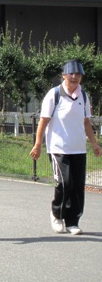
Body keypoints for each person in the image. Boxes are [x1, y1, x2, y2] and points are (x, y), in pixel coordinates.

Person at [30, 60, 101, 235]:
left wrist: (94, 143)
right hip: (58, 148)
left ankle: (73, 221)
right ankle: (56, 214)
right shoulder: (54, 95)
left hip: (78, 148)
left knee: (77, 186)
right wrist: (38, 144)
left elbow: (86, 122)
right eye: (71, 74)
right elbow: (43, 121)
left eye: (78, 74)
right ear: (63, 75)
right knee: (64, 182)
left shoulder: (83, 96)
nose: (75, 77)